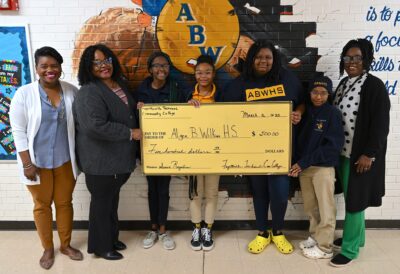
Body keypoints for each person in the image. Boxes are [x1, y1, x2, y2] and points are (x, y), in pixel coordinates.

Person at [220, 40, 304, 255]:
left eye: (268, 57)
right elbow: (224, 110)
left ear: (274, 60)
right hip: (253, 151)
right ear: (251, 59)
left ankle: (277, 231)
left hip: (280, 150)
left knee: (279, 193)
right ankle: (262, 232)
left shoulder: (286, 78)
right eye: (258, 57)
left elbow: (303, 101)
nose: (263, 61)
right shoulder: (242, 83)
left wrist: (299, 113)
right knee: (259, 193)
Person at [9, 46, 83, 269]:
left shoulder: (71, 91)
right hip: (36, 164)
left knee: (64, 203)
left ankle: (66, 245)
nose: (49, 70)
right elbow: (18, 131)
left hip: (65, 161)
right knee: (42, 206)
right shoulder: (24, 94)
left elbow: (80, 125)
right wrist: (27, 164)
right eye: (44, 66)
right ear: (37, 68)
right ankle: (48, 248)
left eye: (54, 66)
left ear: (60, 68)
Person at [73, 44, 141, 260]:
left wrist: (138, 108)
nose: (104, 66)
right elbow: (95, 126)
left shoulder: (117, 85)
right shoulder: (89, 91)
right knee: (102, 206)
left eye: (107, 60)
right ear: (88, 67)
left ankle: (111, 238)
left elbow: (125, 112)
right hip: (101, 162)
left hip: (118, 161)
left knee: (111, 203)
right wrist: (130, 133)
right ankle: (101, 247)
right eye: (97, 62)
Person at [329, 39, 390, 267]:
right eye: (347, 58)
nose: (351, 62)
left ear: (366, 60)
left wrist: (369, 154)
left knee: (355, 201)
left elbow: (380, 125)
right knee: (354, 198)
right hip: (344, 154)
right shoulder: (345, 83)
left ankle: (350, 250)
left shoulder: (374, 86)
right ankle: (359, 238)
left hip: (361, 157)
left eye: (356, 58)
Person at [289, 76, 344, 259]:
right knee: (311, 207)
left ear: (329, 94)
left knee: (326, 208)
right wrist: (298, 162)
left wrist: (303, 162)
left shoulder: (333, 114)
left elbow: (332, 147)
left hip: (323, 168)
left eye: (323, 93)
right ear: (309, 93)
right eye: (315, 92)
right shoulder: (305, 112)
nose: (318, 97)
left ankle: (325, 247)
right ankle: (314, 236)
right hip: (304, 168)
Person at [137, 51, 185, 250]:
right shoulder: (142, 90)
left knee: (163, 190)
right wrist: (138, 108)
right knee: (152, 190)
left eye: (165, 65)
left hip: (168, 150)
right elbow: (134, 119)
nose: (161, 69)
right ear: (150, 69)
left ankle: (163, 231)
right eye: (157, 65)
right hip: (148, 149)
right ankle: (153, 228)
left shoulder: (176, 89)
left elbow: (185, 114)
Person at [186, 55, 221, 251]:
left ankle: (208, 228)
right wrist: (186, 108)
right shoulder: (187, 94)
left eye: (207, 72)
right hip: (193, 153)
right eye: (199, 72)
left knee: (211, 192)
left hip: (215, 152)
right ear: (195, 74)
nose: (203, 76)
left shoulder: (221, 95)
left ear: (213, 74)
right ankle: (196, 228)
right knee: (194, 193)